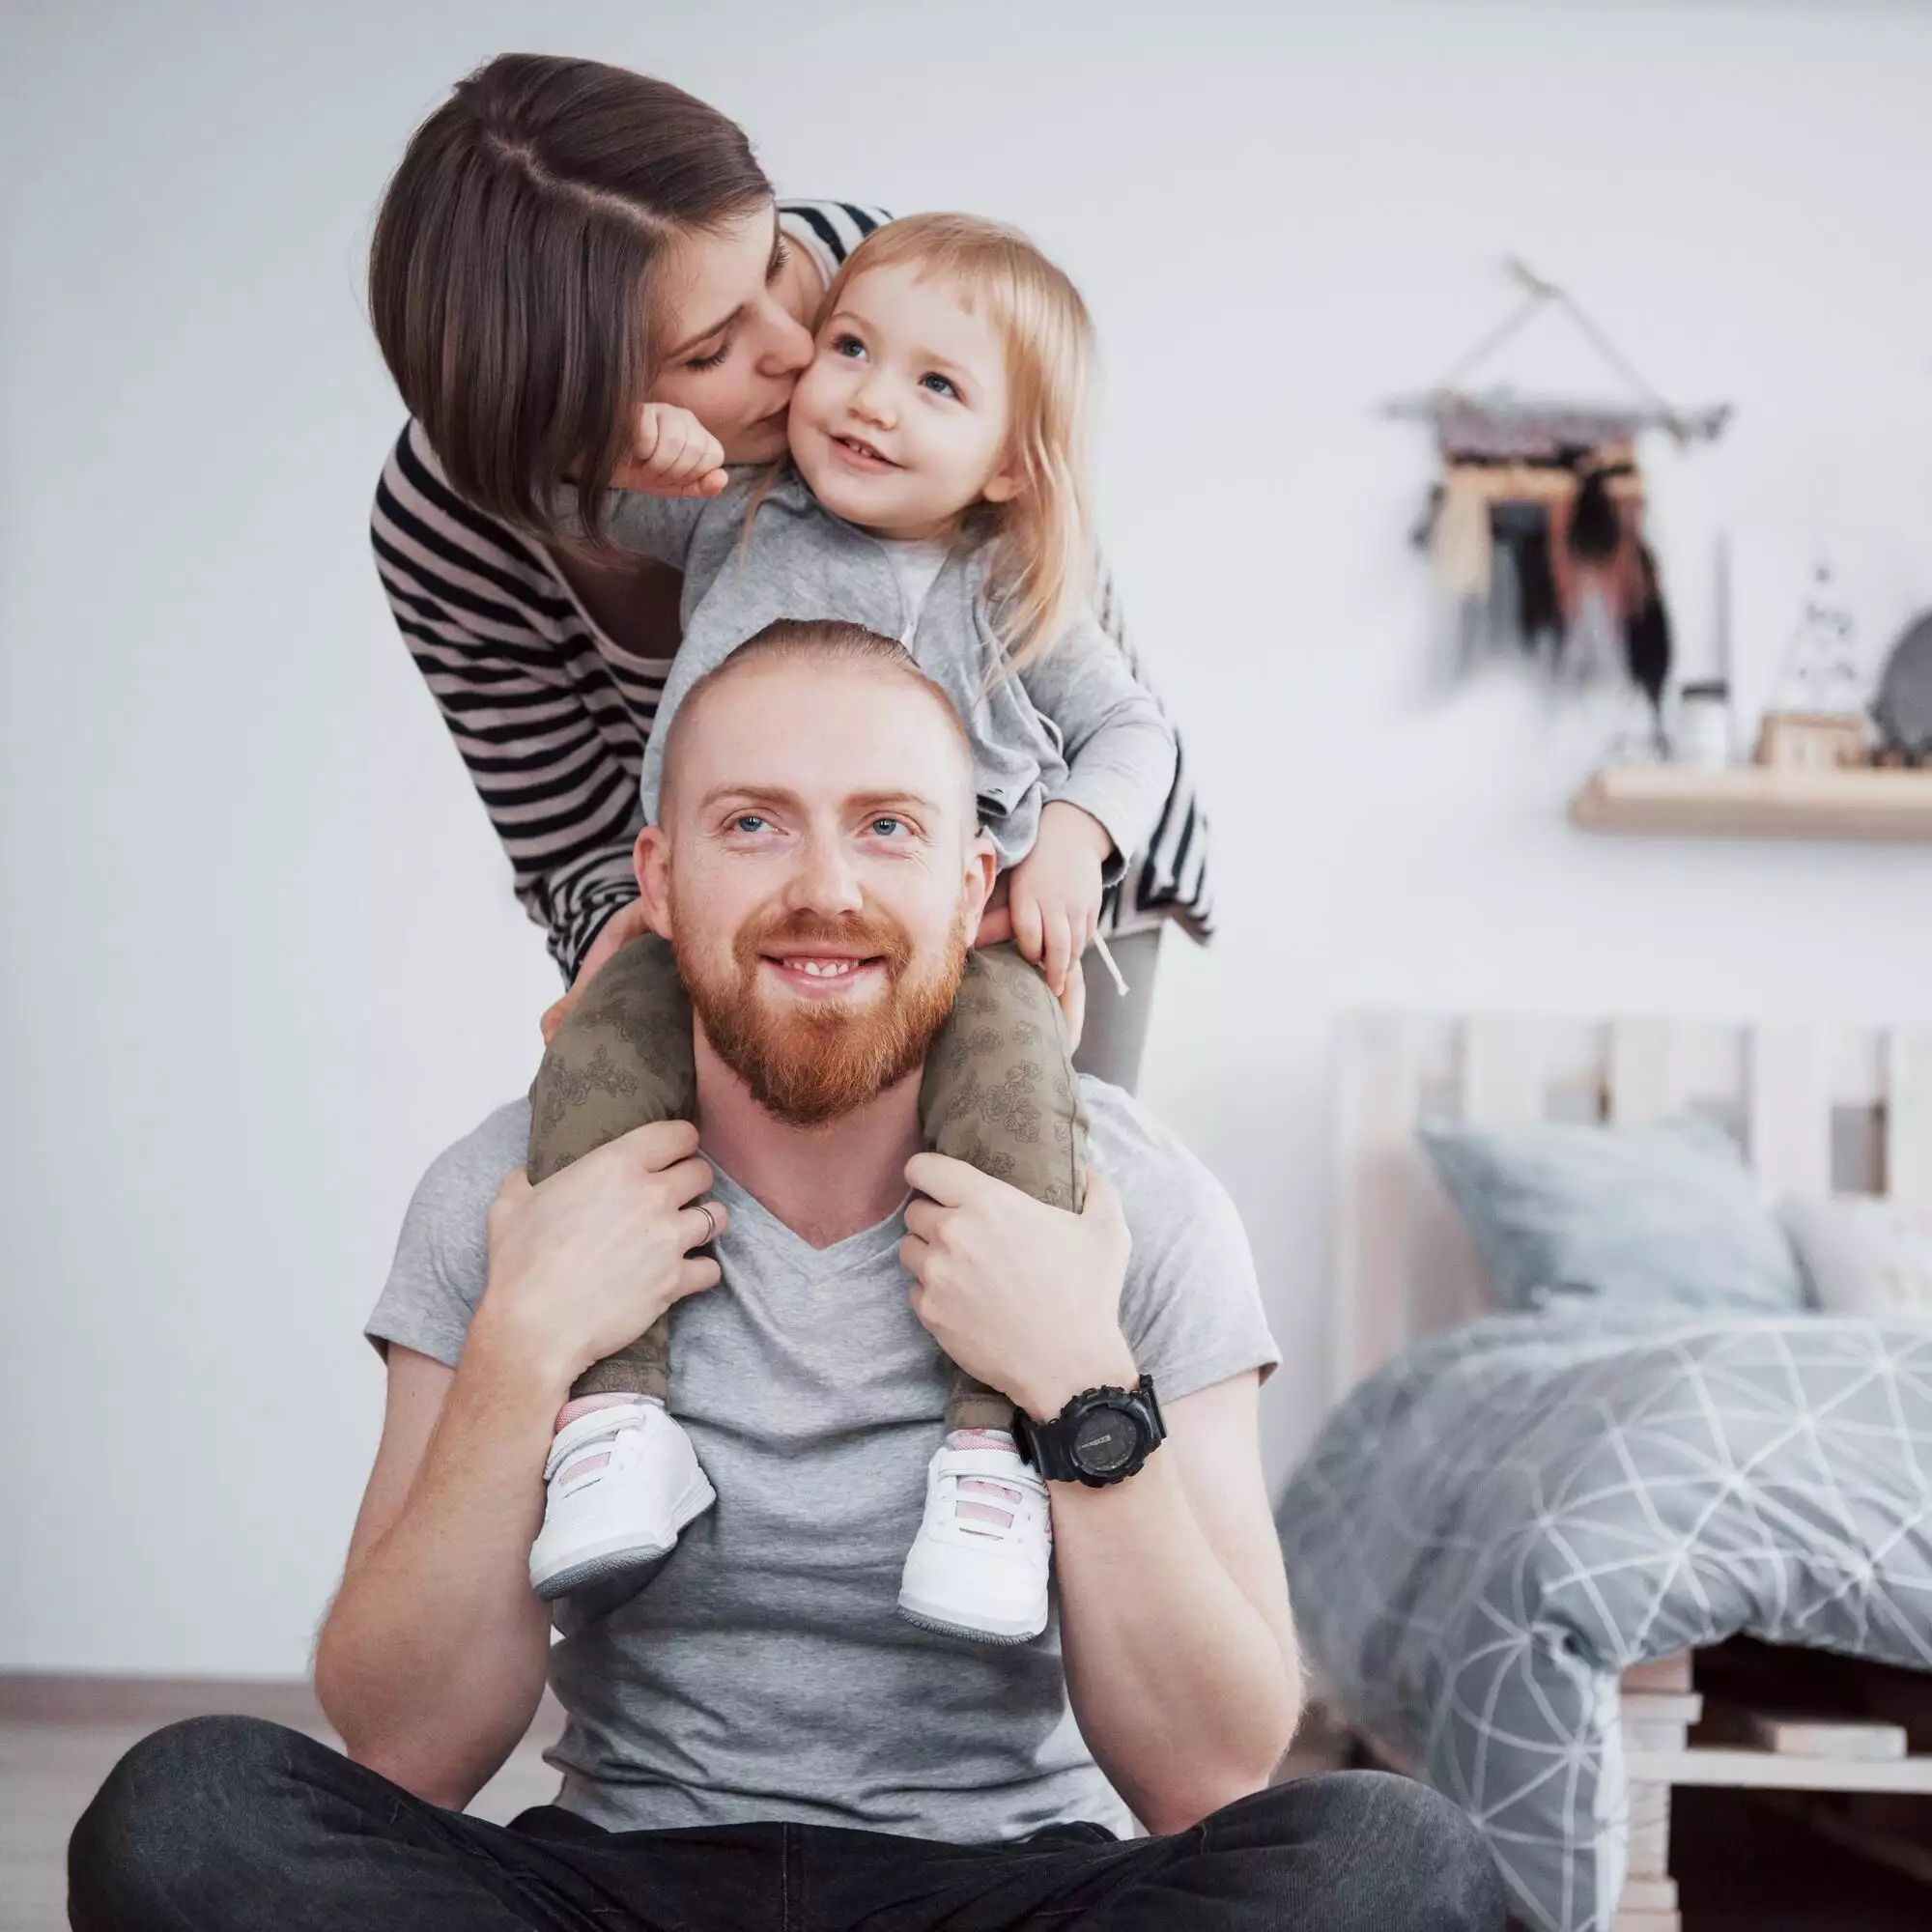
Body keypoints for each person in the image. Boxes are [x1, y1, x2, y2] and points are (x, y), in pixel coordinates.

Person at [70, 627, 1505, 1931]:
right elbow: (407, 1748)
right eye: (753, 825)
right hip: (615, 1888)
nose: (824, 891)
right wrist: (525, 1347)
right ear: (661, 875)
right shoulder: (510, 1195)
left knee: (1398, 1863)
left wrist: (1077, 1377)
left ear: (971, 884)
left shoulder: (1139, 1206)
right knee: (188, 1815)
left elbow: (1208, 1774)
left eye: (886, 827)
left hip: (1015, 1895)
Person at [523, 214, 1178, 1640]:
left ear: (1009, 460)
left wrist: (1072, 836)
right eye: (853, 351)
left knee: (1016, 1106)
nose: (872, 398)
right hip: (716, 925)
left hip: (965, 940)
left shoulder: (1001, 581)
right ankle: (615, 1419)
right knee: (595, 1066)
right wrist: (633, 435)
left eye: (938, 386)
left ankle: (991, 1454)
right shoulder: (739, 512)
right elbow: (563, 494)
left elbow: (1132, 729)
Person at [366, 52, 1211, 1098]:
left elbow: (1081, 675)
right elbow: (566, 834)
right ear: (570, 411)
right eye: (711, 349)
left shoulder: (890, 294)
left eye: (770, 263)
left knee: (1028, 1161)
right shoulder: (466, 522)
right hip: (752, 916)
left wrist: (1057, 852)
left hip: (1030, 876)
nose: (799, 350)